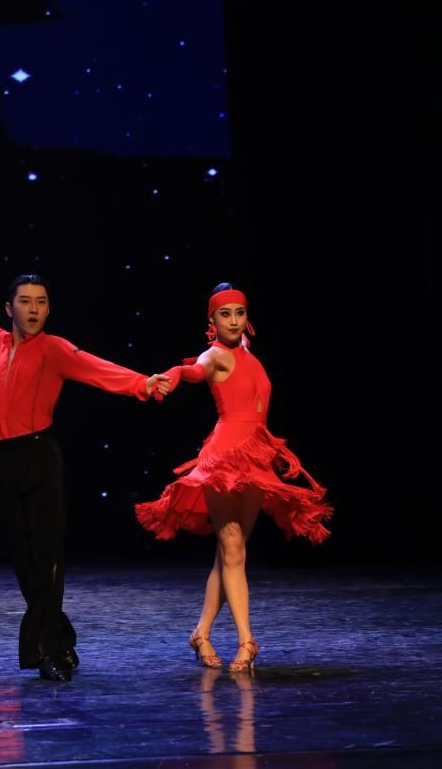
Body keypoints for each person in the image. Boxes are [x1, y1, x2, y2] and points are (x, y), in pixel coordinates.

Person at [0, 275, 170, 681]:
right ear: (11, 308)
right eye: (25, 301)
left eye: (41, 301)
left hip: (39, 457)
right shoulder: (0, 343)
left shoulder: (54, 348)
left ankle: (46, 651)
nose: (35, 309)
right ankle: (60, 636)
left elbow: (96, 368)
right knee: (23, 560)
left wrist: (141, 384)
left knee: (47, 557)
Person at [136, 283, 332, 671]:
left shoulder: (247, 352)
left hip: (255, 456)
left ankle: (201, 633)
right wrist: (173, 374)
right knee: (233, 549)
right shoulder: (214, 355)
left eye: (239, 313)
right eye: (224, 314)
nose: (233, 320)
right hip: (225, 458)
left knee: (230, 553)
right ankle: (247, 640)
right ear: (211, 320)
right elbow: (194, 371)